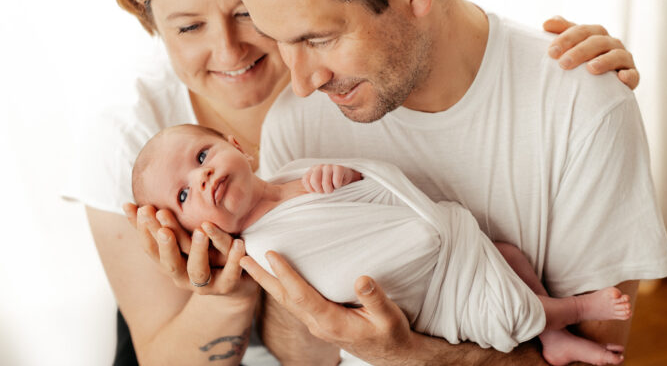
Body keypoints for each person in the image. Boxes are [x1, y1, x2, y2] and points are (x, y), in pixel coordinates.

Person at [76, 0, 643, 365]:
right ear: (155, 30)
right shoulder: (141, 134)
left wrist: (571, 84)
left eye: (247, 15)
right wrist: (227, 291)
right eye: (189, 26)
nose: (230, 52)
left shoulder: (356, 86)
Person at [132, 123, 633, 365]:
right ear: (193, 232)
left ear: (236, 145)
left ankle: (553, 338)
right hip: (427, 291)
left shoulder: (295, 171)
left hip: (456, 243)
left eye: (202, 155)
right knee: (505, 312)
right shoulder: (263, 253)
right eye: (183, 194)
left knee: (512, 257)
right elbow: (334, 272)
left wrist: (344, 175)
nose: (202, 179)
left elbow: (372, 190)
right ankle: (570, 311)